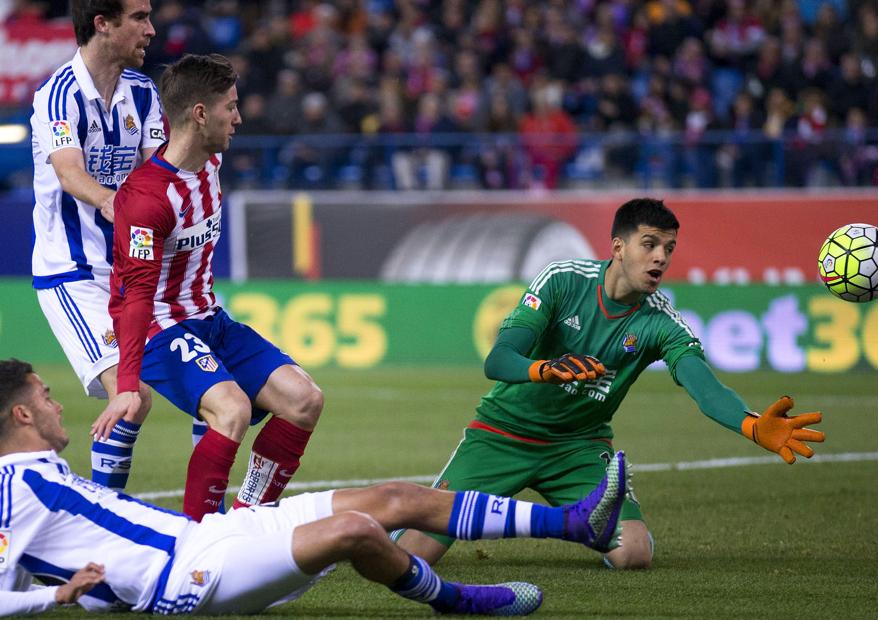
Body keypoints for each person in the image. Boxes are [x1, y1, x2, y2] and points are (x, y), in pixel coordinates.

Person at [0, 358, 627, 616]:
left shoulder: (36, 474)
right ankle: (458, 601)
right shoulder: (12, 489)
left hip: (207, 535)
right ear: (22, 414)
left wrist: (83, 594)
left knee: (393, 498)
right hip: (188, 578)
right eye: (47, 397)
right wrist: (56, 598)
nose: (59, 404)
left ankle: (576, 523)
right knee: (355, 531)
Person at [396, 197, 826, 570]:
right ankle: (385, 519)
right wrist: (546, 369)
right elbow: (499, 359)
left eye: (669, 248)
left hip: (578, 449)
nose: (661, 258)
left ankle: (580, 522)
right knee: (408, 557)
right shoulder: (562, 279)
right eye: (649, 244)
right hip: (501, 435)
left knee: (634, 554)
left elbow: (705, 388)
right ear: (618, 247)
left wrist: (751, 424)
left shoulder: (662, 324)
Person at [92, 53, 324, 521]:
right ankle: (200, 540)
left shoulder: (211, 160)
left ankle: (247, 522)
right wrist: (127, 384)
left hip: (209, 319)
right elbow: (136, 297)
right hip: (159, 328)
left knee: (304, 400)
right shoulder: (146, 199)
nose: (238, 118)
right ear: (200, 114)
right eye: (230, 107)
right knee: (231, 409)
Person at [29, 0, 161, 492]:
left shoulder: (142, 92)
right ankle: (103, 509)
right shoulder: (57, 95)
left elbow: (158, 171)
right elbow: (70, 173)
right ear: (102, 24)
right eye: (140, 17)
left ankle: (216, 518)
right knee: (132, 394)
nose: (151, 29)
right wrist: (116, 203)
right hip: (74, 272)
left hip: (132, 271)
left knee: (217, 387)